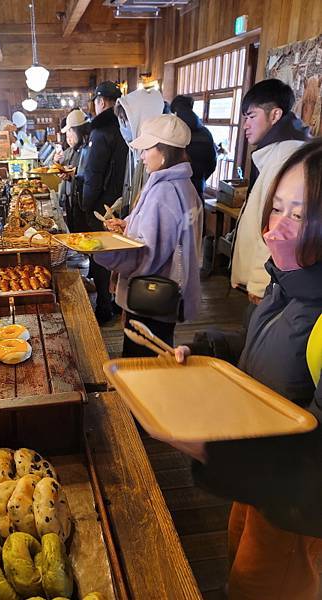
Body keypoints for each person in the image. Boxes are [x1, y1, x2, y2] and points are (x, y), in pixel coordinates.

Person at [173, 140, 322, 599]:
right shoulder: (288, 281)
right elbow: (264, 348)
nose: (277, 227)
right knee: (239, 563)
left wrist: (212, 451)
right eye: (276, 207)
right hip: (259, 478)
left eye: (298, 215)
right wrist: (209, 350)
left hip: (295, 507)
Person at [95, 114, 203, 356]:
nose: (142, 156)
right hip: (170, 293)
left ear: (164, 151)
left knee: (140, 363)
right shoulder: (186, 186)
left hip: (150, 294)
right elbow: (168, 237)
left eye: (146, 149)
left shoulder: (163, 191)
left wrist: (102, 251)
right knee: (159, 355)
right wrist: (127, 225)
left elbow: (148, 255)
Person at [231, 78, 311, 303]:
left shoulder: (286, 156)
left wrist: (257, 282)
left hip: (271, 283)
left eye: (251, 116)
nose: (245, 125)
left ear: (275, 115)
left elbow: (277, 227)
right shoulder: (280, 150)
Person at [82, 81, 128, 324]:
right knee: (120, 255)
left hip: (103, 206)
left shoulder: (101, 131)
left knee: (101, 257)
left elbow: (94, 174)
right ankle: (118, 301)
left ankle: (103, 307)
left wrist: (86, 204)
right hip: (124, 202)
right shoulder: (126, 126)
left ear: (100, 102)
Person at [114, 88, 164, 217]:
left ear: (140, 119)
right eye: (121, 121)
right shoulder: (133, 150)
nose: (123, 127)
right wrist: (123, 203)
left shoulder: (157, 157)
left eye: (126, 121)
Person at [170, 94, 217, 201]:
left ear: (175, 112)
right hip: (197, 193)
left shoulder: (173, 132)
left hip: (175, 193)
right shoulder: (206, 133)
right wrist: (200, 178)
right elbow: (212, 164)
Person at [56, 109, 91, 232]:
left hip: (84, 205)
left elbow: (90, 175)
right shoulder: (77, 149)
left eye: (70, 131)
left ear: (78, 130)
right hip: (74, 201)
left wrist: (73, 173)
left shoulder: (89, 149)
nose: (68, 136)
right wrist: (69, 176)